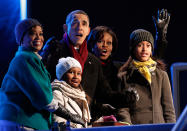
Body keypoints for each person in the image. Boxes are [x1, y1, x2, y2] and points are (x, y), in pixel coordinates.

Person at [40, 10, 137, 122]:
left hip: (83, 121)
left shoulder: (93, 61)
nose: (79, 27)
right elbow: (43, 85)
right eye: (75, 22)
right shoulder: (54, 51)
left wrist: (126, 98)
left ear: (88, 31)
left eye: (84, 24)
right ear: (66, 28)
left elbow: (104, 93)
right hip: (57, 119)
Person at [0, 18, 85, 130]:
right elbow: (44, 98)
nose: (38, 38)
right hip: (22, 120)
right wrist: (69, 115)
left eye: (40, 34)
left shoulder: (30, 58)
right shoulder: (25, 59)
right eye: (32, 33)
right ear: (21, 38)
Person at [117, 29, 176, 124]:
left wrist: (171, 128)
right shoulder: (124, 76)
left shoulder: (161, 75)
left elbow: (168, 109)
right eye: (140, 45)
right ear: (133, 48)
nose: (144, 49)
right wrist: (128, 127)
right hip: (136, 127)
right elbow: (123, 109)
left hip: (158, 126)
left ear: (151, 49)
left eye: (148, 45)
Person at [52, 57, 91, 128]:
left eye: (79, 73)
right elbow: (57, 121)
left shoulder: (81, 96)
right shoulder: (57, 93)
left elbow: (83, 125)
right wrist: (74, 126)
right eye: (71, 72)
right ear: (62, 75)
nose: (76, 76)